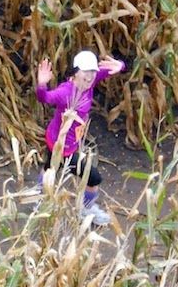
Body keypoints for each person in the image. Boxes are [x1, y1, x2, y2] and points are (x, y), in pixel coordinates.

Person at [35, 50, 125, 226]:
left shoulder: (89, 83)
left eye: (92, 71)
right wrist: (41, 84)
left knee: (50, 169)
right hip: (61, 146)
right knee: (93, 178)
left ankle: (39, 197)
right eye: (86, 72)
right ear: (75, 71)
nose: (91, 76)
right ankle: (85, 209)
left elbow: (112, 70)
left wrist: (120, 65)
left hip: (62, 140)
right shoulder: (65, 92)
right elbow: (44, 98)